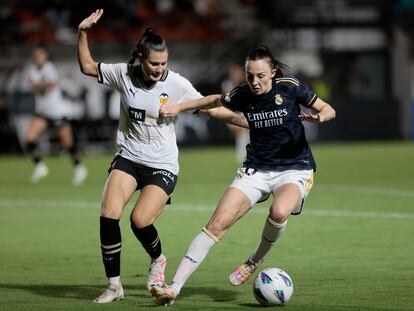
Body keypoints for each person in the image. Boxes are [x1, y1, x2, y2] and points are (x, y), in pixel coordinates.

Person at [77, 9, 248, 304]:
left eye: (164, 64)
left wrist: (249, 122)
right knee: (108, 215)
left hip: (162, 164)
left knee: (139, 220)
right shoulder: (123, 73)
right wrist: (82, 32)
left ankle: (158, 260)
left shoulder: (176, 85)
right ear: (141, 59)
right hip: (129, 156)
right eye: (154, 64)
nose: (159, 69)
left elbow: (212, 107)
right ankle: (114, 286)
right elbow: (88, 67)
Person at [151, 45, 336, 305]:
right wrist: (179, 107)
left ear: (272, 72)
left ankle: (254, 260)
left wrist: (321, 118)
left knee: (279, 212)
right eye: (250, 75)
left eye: (260, 75)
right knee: (216, 223)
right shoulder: (243, 93)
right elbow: (214, 100)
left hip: (295, 167)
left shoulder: (290, 87)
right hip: (256, 168)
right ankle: (174, 287)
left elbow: (328, 109)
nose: (255, 81)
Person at [25, 46, 87, 185]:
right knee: (29, 138)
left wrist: (35, 84)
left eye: (40, 55)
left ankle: (79, 167)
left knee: (68, 144)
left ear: (46, 56)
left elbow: (52, 84)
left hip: (56, 112)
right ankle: (40, 166)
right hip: (42, 112)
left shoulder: (49, 68)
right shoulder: (33, 70)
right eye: (36, 55)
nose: (38, 57)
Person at [221, 63, 250, 162]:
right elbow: (228, 101)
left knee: (244, 134)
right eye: (233, 73)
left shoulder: (245, 84)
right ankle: (242, 156)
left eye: (237, 73)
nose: (235, 75)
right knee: (239, 134)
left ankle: (244, 156)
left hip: (243, 112)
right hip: (232, 112)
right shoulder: (226, 85)